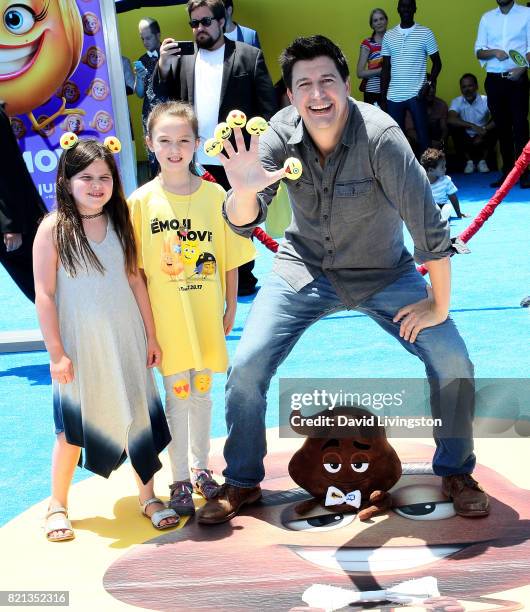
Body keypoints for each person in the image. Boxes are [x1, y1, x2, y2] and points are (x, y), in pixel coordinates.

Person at [196, 35, 490, 525]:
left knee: (452, 357)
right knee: (245, 365)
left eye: (327, 81)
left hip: (384, 273)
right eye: (304, 84)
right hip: (303, 267)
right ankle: (242, 480)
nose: (317, 95)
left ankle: (457, 470)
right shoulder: (275, 135)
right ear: (289, 95)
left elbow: (428, 225)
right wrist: (242, 188)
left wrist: (438, 306)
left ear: (347, 85)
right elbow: (243, 219)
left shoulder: (381, 136)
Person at [33, 138, 178, 541]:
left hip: (127, 340)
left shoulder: (121, 222)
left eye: (104, 177)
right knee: (71, 432)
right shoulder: (53, 228)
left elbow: (136, 279)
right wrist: (57, 353)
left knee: (139, 420)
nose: (97, 186)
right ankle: (57, 504)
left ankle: (148, 496)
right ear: (65, 179)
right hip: (81, 349)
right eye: (86, 177)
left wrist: (151, 334)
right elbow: (44, 294)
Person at [127, 101, 255, 516]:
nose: (175, 148)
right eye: (164, 140)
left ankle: (202, 468)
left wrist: (231, 306)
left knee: (202, 393)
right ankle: (178, 476)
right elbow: (136, 273)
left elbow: (232, 256)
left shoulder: (216, 194)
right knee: (176, 396)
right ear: (150, 144)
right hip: (167, 323)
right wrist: (148, 330)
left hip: (205, 317)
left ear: (198, 144)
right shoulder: (142, 202)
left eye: (184, 140)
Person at [152, 0, 277, 296]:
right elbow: (161, 101)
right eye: (194, 23)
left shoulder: (249, 57)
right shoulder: (180, 60)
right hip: (193, 161)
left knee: (240, 220)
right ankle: (204, 280)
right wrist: (162, 66)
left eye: (206, 21)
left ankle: (243, 279)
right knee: (195, 223)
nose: (200, 28)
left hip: (236, 159)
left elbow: (268, 109)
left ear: (222, 21)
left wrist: (260, 152)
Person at [474, 0, 530, 188]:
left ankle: (525, 173)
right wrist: (495, 52)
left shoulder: (526, 14)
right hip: (494, 80)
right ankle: (506, 174)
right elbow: (479, 52)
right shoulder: (487, 18)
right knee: (502, 129)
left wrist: (522, 69)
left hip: (518, 80)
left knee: (521, 127)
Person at [380, 0, 442, 155]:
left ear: (415, 9)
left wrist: (428, 84)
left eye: (409, 6)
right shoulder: (389, 35)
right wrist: (383, 98)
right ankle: (400, 176)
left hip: (416, 94)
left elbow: (437, 64)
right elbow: (385, 69)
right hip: (393, 96)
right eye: (403, 6)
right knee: (395, 140)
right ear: (398, 9)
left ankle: (428, 176)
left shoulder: (425, 33)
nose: (406, 9)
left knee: (423, 138)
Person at [0, 103, 47, 302]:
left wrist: (12, 225)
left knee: (42, 285)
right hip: (13, 221)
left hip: (16, 222)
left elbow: (7, 168)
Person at [448, 73, 496, 174]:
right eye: (464, 87)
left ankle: (483, 161)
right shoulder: (457, 101)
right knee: (452, 127)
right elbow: (451, 119)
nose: (467, 89)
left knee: (497, 125)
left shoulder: (486, 100)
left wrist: (484, 129)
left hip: (483, 134)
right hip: (465, 137)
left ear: (476, 86)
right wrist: (472, 126)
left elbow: (498, 118)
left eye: (470, 85)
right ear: (461, 89)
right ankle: (468, 162)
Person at [136, 18, 164, 177]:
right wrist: (139, 78)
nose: (145, 42)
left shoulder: (171, 54)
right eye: (142, 38)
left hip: (168, 112)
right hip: (148, 115)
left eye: (148, 37)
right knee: (152, 155)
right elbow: (139, 93)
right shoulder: (142, 59)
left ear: (158, 35)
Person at [420, 148, 468, 221]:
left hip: (442, 206)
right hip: (429, 208)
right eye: (442, 167)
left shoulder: (446, 180)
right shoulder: (421, 182)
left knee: (447, 207)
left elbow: (453, 197)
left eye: (444, 166)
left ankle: (442, 219)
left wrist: (459, 214)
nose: (445, 168)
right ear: (431, 170)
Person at [404, 79, 448, 152]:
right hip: (418, 140)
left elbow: (444, 128)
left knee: (436, 125)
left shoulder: (441, 105)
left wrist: (442, 141)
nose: (432, 91)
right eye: (428, 88)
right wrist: (428, 143)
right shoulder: (411, 105)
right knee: (409, 139)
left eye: (433, 87)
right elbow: (410, 131)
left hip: (436, 139)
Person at [356, 8, 388, 105]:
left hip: (392, 90)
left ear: (386, 20)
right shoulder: (368, 43)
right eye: (375, 20)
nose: (379, 22)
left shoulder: (394, 41)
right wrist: (383, 70)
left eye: (381, 19)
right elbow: (360, 73)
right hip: (373, 91)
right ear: (372, 25)